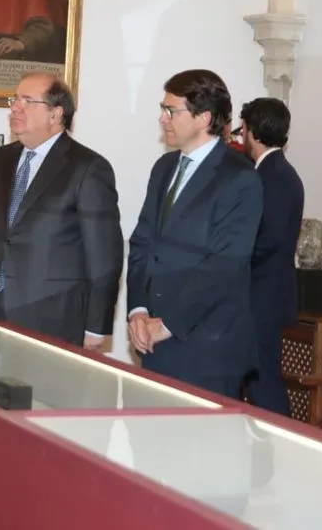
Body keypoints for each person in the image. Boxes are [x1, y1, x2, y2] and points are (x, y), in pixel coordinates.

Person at [126, 69, 263, 398]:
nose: (163, 119)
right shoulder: (164, 168)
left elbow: (224, 265)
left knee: (200, 447)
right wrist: (138, 311)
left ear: (203, 118)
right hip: (154, 341)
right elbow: (143, 243)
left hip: (207, 349)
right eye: (163, 108)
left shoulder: (240, 178)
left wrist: (169, 323)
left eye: (171, 111)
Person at [0, 71, 123, 349]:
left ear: (56, 114)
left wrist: (96, 325)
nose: (15, 107)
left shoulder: (87, 168)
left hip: (53, 316)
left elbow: (104, 255)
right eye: (14, 99)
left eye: (27, 101)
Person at [239, 97, 304, 416]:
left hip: (263, 294)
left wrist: (234, 258)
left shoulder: (273, 176)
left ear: (252, 132)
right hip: (265, 293)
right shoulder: (274, 172)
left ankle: (282, 447)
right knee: (255, 377)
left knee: (265, 381)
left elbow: (271, 240)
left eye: (242, 130)